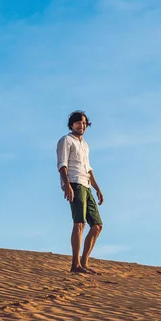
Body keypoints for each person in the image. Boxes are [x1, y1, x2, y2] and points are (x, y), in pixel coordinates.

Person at [56, 110, 104, 274]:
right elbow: (62, 165)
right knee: (79, 223)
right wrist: (67, 185)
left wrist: (97, 188)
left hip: (87, 184)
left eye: (84, 123)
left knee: (97, 225)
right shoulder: (66, 140)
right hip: (75, 183)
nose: (81, 125)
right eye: (78, 122)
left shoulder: (85, 145)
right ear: (71, 124)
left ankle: (84, 263)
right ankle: (75, 264)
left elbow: (89, 169)